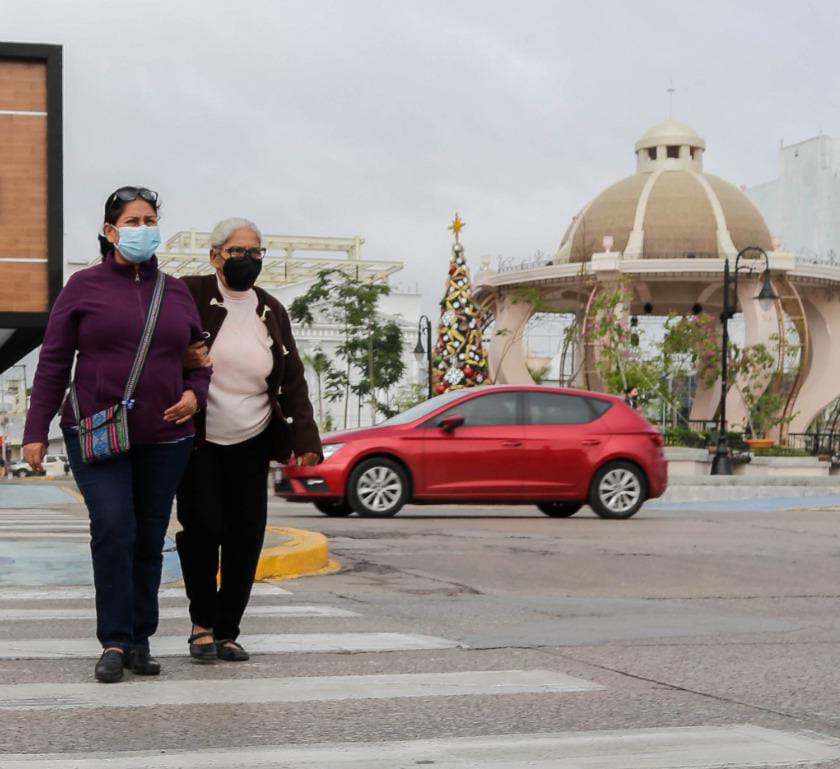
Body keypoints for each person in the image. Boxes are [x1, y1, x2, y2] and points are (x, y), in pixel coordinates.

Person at [22, 187, 211, 683]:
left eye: (150, 219)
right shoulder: (82, 287)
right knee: (112, 528)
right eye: (132, 220)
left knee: (149, 538)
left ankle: (140, 640)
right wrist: (34, 431)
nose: (143, 228)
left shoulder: (174, 291)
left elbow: (199, 359)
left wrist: (196, 395)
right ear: (110, 231)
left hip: (166, 436)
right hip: (97, 433)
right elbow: (54, 363)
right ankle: (113, 639)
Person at [177, 217, 321, 662]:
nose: (247, 260)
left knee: (245, 535)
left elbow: (292, 377)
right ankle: (202, 623)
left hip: (253, 438)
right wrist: (181, 358)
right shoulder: (190, 293)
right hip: (200, 439)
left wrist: (306, 437)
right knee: (203, 530)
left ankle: (227, 630)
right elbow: (160, 346)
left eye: (255, 252)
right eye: (238, 252)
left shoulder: (272, 309)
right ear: (215, 255)